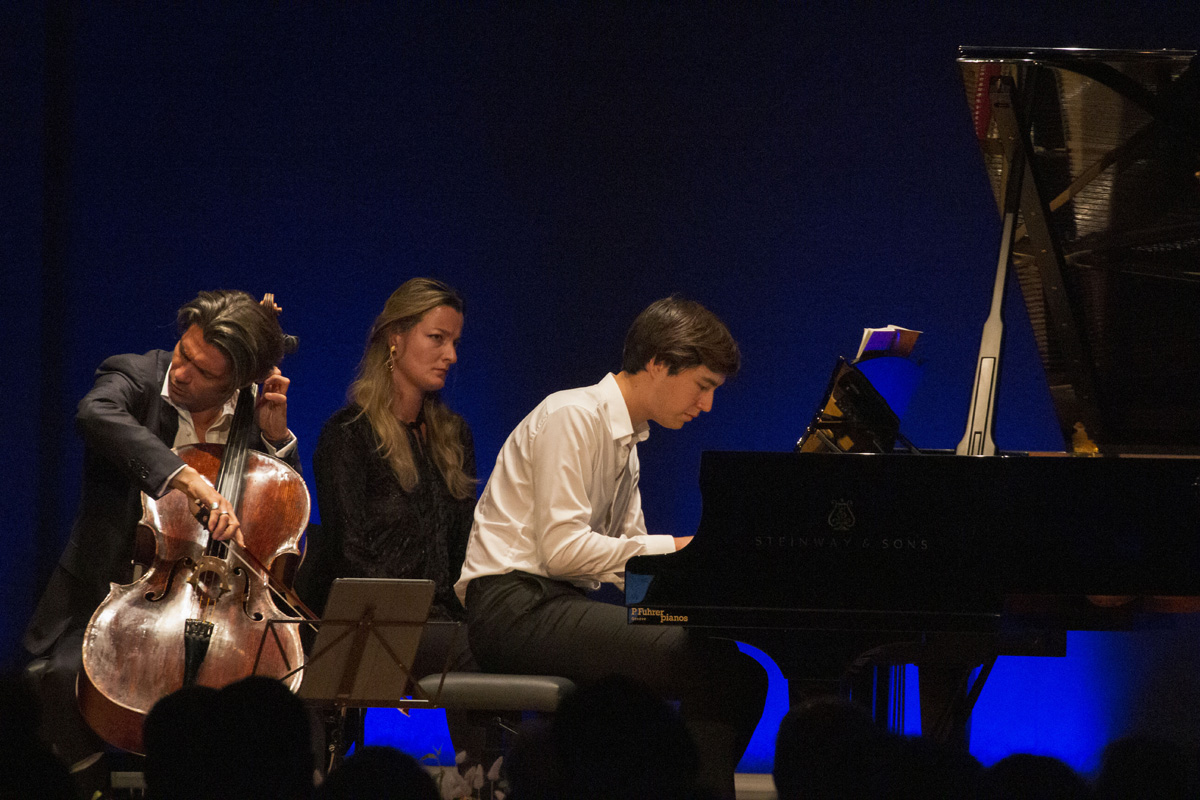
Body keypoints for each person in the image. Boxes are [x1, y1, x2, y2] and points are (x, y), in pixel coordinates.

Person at [455, 296, 769, 800]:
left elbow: (631, 568)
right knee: (712, 668)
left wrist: (696, 602)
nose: (707, 405)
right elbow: (563, 551)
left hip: (553, 603)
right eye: (703, 385)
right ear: (659, 363)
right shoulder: (572, 415)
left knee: (740, 671)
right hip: (511, 608)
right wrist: (679, 547)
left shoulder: (628, 445)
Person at [22, 290, 300, 794]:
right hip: (108, 597)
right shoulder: (134, 376)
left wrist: (275, 442)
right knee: (62, 679)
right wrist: (184, 478)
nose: (182, 372)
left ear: (236, 382)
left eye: (204, 371)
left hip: (220, 610)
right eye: (183, 352)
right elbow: (94, 414)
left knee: (270, 702)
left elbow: (279, 517)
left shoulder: (251, 416)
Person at [309, 279, 477, 753]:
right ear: (395, 338)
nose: (451, 355)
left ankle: (483, 777)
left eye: (455, 342)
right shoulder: (349, 434)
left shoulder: (454, 435)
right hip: (377, 623)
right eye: (437, 338)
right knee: (474, 654)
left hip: (446, 622)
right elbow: (350, 552)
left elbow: (464, 549)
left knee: (495, 645)